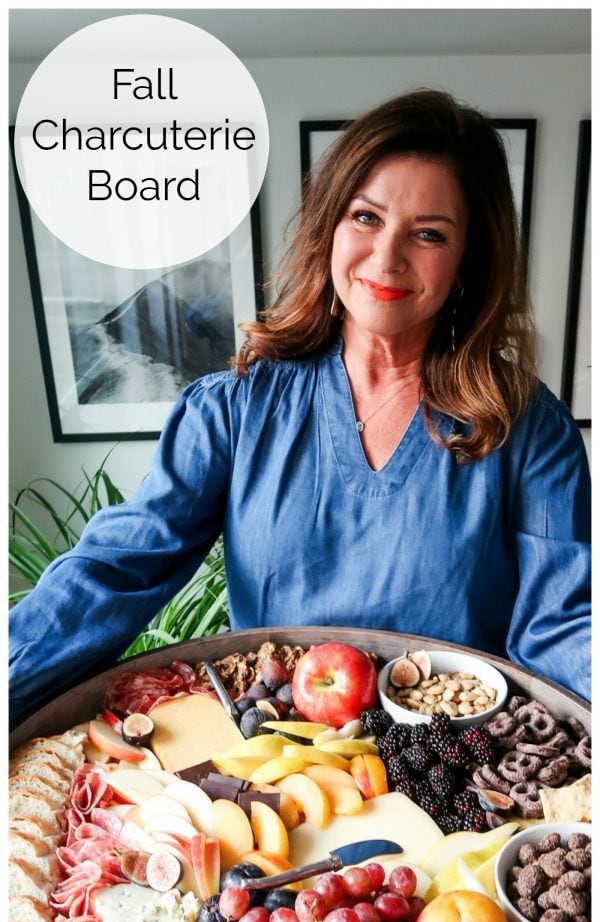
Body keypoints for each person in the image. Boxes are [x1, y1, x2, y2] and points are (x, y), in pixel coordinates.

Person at [9, 89, 591, 720]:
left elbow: (561, 626)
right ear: (330, 226)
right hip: (275, 767)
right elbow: (115, 571)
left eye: (428, 234)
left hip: (456, 770)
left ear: (467, 263)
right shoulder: (233, 409)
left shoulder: (528, 429)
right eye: (366, 217)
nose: (386, 257)